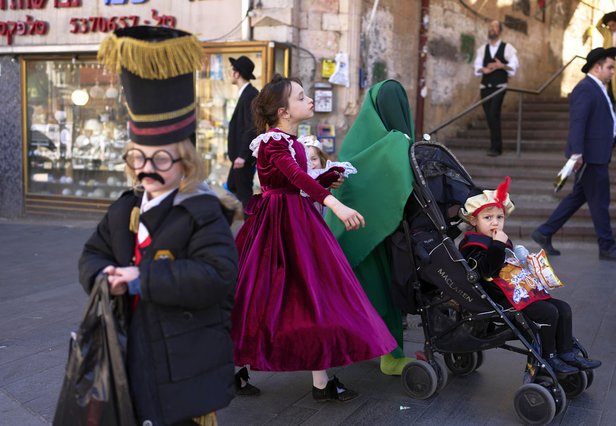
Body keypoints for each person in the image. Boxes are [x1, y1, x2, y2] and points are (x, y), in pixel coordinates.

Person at [79, 26, 238, 425]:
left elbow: (217, 276)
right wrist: (104, 275)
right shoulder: (123, 209)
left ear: (186, 161)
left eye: (161, 159)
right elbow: (92, 252)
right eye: (138, 157)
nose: (147, 169)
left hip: (183, 361)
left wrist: (141, 277)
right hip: (128, 353)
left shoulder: (203, 211)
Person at [231, 75, 397, 402]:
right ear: (283, 111)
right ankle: (235, 369)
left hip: (299, 218)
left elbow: (299, 179)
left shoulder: (292, 141)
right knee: (262, 298)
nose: (309, 101)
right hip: (278, 225)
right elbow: (293, 178)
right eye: (301, 97)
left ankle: (320, 382)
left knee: (313, 295)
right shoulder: (272, 142)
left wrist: (327, 178)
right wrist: (334, 203)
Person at [459, 177, 601, 375]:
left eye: (499, 217)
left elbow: (509, 263)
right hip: (501, 298)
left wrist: (523, 259)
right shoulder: (472, 245)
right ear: (473, 220)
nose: (495, 223)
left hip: (521, 291)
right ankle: (549, 357)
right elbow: (486, 270)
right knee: (548, 313)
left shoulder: (499, 239)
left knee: (564, 308)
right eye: (488, 218)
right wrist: (499, 245)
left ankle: (566, 352)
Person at [325, 80, 416, 376]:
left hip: (377, 233)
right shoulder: (391, 142)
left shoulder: (384, 140)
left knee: (377, 295)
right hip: (358, 234)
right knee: (372, 293)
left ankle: (381, 350)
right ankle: (381, 353)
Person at [531, 47, 616, 263]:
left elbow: (600, 123)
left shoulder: (597, 88)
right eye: (610, 67)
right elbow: (578, 124)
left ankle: (544, 232)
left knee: (576, 198)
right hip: (590, 158)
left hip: (595, 154)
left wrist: (615, 140)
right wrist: (577, 154)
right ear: (597, 68)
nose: (613, 71)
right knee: (600, 202)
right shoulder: (585, 89)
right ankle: (607, 246)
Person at [473, 19, 519, 157]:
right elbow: (476, 67)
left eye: (494, 27)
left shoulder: (507, 48)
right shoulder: (482, 49)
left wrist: (502, 66)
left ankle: (496, 147)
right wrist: (484, 70)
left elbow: (514, 66)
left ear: (499, 31)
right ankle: (495, 146)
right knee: (490, 116)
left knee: (493, 113)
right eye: (490, 27)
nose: (491, 29)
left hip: (499, 87)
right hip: (485, 87)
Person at [227, 55, 259, 209]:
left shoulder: (250, 95)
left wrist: (242, 156)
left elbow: (252, 127)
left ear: (237, 73)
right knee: (232, 187)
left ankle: (252, 229)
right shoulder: (246, 94)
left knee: (244, 195)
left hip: (242, 158)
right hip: (238, 157)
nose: (230, 73)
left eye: (232, 70)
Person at [596, 11, 616, 103]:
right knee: (608, 82)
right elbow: (598, 26)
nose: (611, 27)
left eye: (613, 25)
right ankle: (609, 101)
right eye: (609, 25)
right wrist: (605, 18)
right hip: (608, 60)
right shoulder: (606, 32)